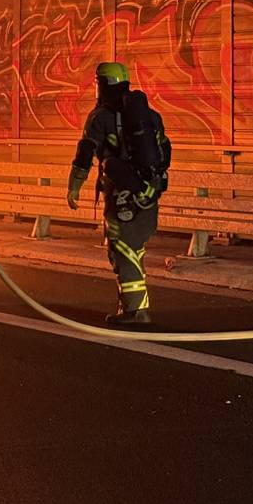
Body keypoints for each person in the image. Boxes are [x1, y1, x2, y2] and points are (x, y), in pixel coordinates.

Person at [67, 62, 171, 326]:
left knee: (122, 249)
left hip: (121, 196)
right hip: (148, 193)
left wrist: (75, 185)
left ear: (103, 84)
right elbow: (164, 151)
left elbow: (85, 151)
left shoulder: (101, 117)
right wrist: (151, 185)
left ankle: (135, 312)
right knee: (133, 248)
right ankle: (136, 305)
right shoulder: (150, 115)